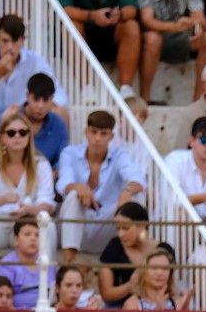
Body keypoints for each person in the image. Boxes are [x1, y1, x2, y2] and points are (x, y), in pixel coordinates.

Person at [0, 111, 56, 279]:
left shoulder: (41, 164)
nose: (17, 136)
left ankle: (48, 285)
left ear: (29, 136)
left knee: (48, 224)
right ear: (2, 136)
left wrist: (30, 209)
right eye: (11, 133)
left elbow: (48, 204)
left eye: (23, 132)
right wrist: (2, 200)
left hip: (26, 227)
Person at [58, 109, 145, 260]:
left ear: (111, 136)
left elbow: (137, 179)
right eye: (94, 132)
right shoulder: (70, 153)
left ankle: (134, 259)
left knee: (136, 197)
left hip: (106, 225)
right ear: (86, 132)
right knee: (73, 196)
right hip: (77, 225)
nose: (97, 138)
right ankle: (69, 265)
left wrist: (127, 191)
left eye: (103, 133)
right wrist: (78, 187)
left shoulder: (119, 155)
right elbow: (63, 183)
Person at [0, 15, 66, 130]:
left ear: (23, 40)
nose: (10, 47)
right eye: (5, 41)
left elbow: (59, 96)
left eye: (15, 41)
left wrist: (30, 108)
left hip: (24, 121)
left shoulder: (35, 60)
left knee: (61, 112)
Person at [98, 203, 157, 306]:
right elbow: (106, 294)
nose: (121, 234)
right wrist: (130, 286)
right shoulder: (114, 248)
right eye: (118, 229)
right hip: (119, 307)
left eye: (125, 228)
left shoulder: (161, 249)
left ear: (142, 225)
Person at [0, 217, 52, 308]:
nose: (33, 239)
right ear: (16, 240)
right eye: (27, 234)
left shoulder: (46, 263)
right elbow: (1, 301)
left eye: (37, 235)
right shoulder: (5, 266)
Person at [21, 73, 71, 167]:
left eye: (45, 100)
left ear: (52, 99)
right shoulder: (12, 120)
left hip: (49, 177)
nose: (40, 106)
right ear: (27, 96)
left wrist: (55, 172)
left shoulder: (58, 125)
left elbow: (63, 158)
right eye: (36, 99)